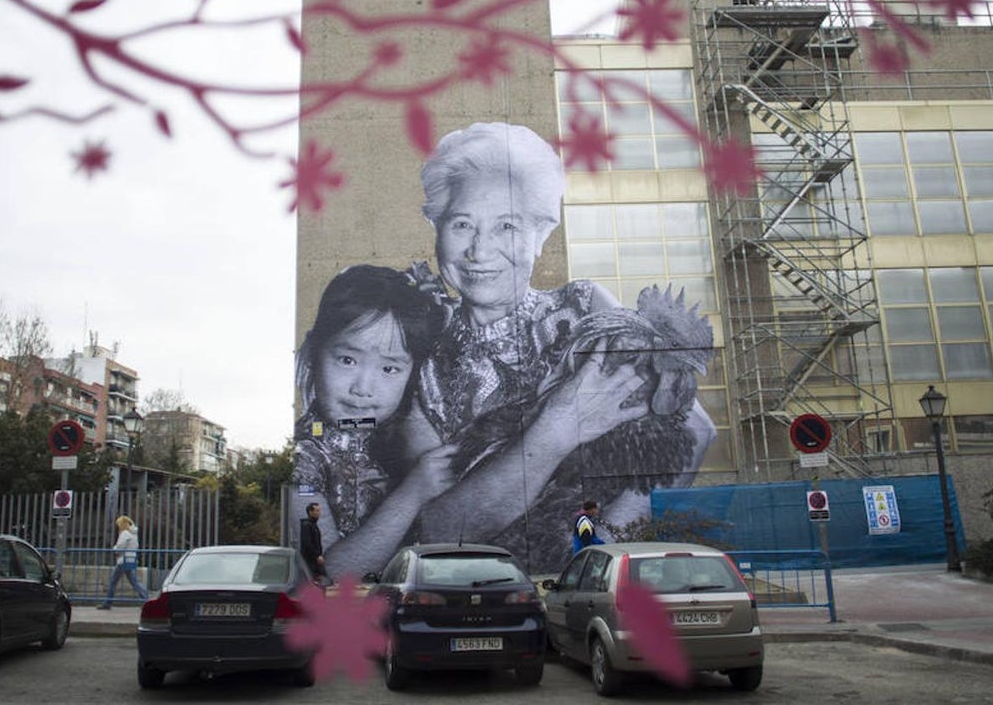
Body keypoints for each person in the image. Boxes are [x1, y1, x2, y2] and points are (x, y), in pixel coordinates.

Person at [407, 122, 716, 571]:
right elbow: (438, 526)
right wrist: (557, 428)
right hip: (480, 579)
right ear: (435, 227)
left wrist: (603, 548)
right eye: (462, 224)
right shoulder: (421, 371)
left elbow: (696, 430)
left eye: (507, 225)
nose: (480, 250)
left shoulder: (583, 306)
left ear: (541, 234)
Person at [291, 264, 455, 577]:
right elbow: (329, 574)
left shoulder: (398, 434)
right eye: (347, 360)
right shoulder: (303, 459)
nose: (363, 389)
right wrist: (413, 492)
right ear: (313, 354)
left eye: (389, 369)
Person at [97, 515, 147, 609]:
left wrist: (114, 548)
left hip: (123, 560)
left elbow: (119, 548)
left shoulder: (125, 534)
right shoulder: (133, 534)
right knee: (134, 582)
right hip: (131, 559)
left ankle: (107, 603)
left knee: (113, 581)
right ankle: (146, 599)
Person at [299, 502, 326, 582]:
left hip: (315, 559)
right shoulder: (307, 525)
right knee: (314, 579)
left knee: (320, 579)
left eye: (319, 510)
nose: (319, 513)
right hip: (310, 559)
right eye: (317, 511)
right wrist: (317, 556)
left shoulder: (313, 525)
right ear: (310, 512)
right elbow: (307, 543)